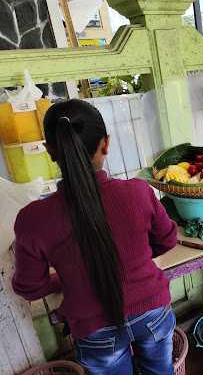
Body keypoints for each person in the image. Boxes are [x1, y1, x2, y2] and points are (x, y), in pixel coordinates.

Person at [12, 99, 178, 374]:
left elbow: (30, 287)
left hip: (94, 329)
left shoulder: (32, 220)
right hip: (152, 311)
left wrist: (65, 277)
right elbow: (167, 239)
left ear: (50, 151)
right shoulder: (137, 192)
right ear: (106, 144)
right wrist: (130, 260)